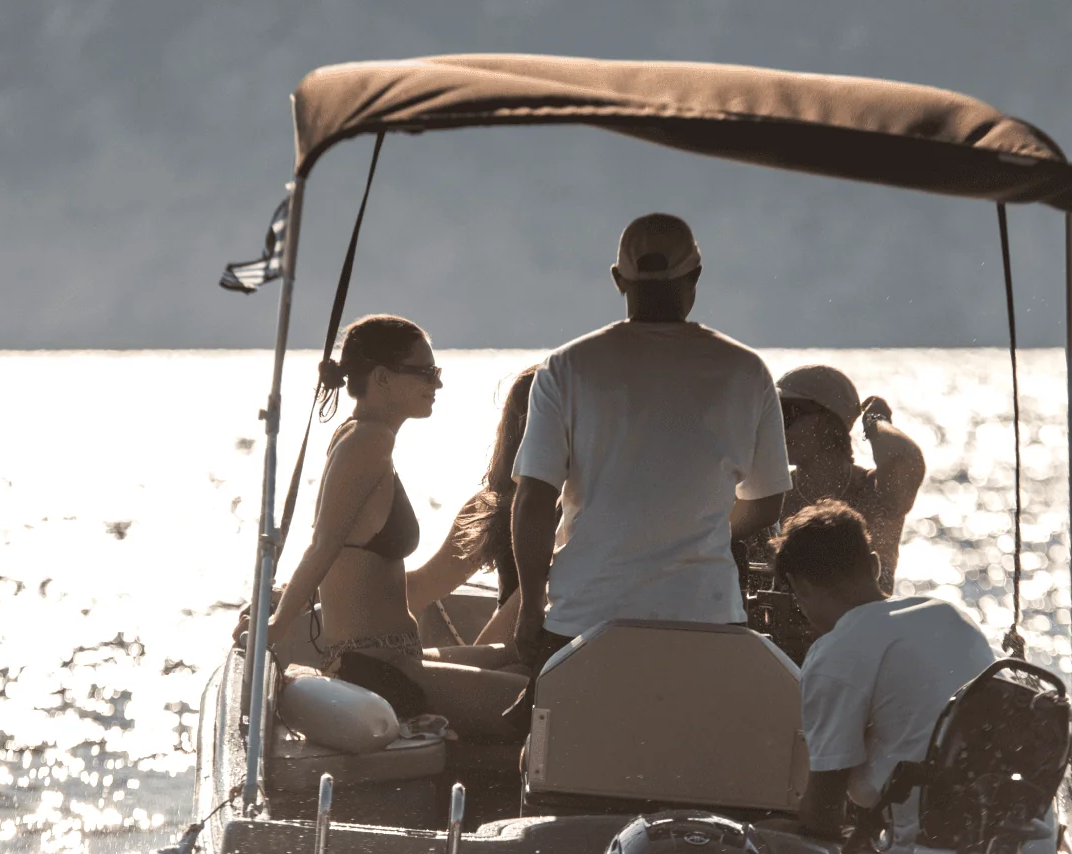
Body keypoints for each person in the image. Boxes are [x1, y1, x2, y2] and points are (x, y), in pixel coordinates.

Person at [510, 213, 792, 675]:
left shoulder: (566, 367)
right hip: (707, 616)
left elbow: (534, 500)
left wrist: (529, 608)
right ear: (696, 275)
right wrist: (691, 528)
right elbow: (765, 504)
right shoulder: (747, 371)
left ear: (619, 280)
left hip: (585, 618)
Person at [263, 315, 528, 740]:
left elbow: (342, 555)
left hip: (395, 663)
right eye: (425, 372)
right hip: (380, 673)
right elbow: (323, 546)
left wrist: (290, 603)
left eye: (436, 372)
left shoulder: (357, 435)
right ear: (383, 378)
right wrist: (275, 627)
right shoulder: (370, 440)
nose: (436, 383)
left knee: (515, 663)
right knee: (543, 703)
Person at [776, 501, 994, 854]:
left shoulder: (833, 653)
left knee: (767, 840)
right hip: (1014, 842)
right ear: (875, 566)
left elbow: (824, 817)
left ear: (800, 589)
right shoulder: (951, 615)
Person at [406, 368, 537, 666]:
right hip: (510, 662)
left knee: (396, 671)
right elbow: (423, 585)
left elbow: (504, 647)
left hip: (528, 672)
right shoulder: (491, 505)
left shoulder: (575, 518)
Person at [773, 364, 926, 591]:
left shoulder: (877, 495)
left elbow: (906, 457)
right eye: (773, 416)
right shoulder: (771, 497)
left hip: (864, 627)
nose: (777, 428)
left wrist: (876, 420)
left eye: (787, 415)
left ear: (828, 422)